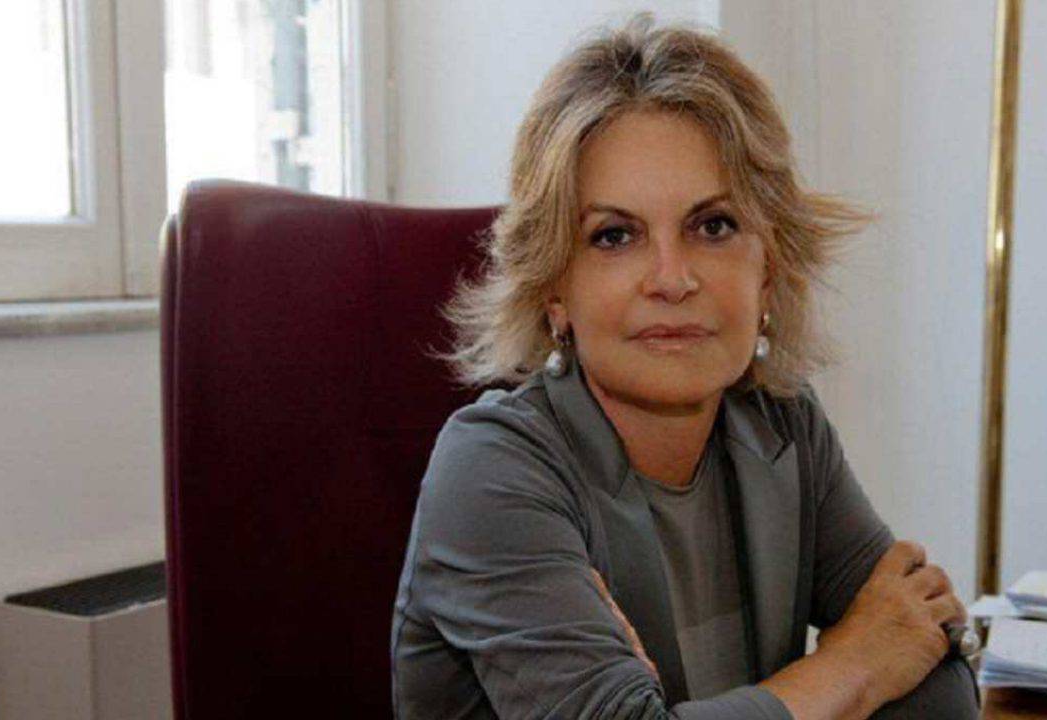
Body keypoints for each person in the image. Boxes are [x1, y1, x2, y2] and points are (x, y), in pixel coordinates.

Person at [391, 12, 979, 720]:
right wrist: (853, 664)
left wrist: (860, 667)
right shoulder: (491, 470)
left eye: (714, 226)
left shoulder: (785, 427)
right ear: (553, 290)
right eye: (615, 236)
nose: (672, 279)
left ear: (769, 268)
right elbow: (881, 653)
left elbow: (932, 672)